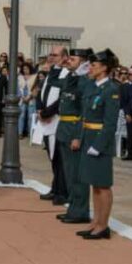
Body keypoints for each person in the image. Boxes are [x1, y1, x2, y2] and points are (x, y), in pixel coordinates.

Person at [77, 49, 120, 240]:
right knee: (94, 184)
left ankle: (104, 225)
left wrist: (99, 145)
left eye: (94, 65)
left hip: (99, 142)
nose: (90, 68)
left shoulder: (111, 90)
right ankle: (96, 222)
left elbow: (110, 123)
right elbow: (84, 113)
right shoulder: (92, 86)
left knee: (103, 185)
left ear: (104, 68)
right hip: (88, 138)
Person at [56, 48, 93, 226]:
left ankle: (81, 211)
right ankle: (73, 208)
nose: (68, 60)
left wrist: (78, 136)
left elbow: (84, 111)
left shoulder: (85, 81)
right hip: (64, 128)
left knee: (77, 174)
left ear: (84, 61)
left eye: (73, 58)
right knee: (69, 172)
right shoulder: (72, 77)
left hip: (74, 130)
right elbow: (56, 84)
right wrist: (62, 67)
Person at [37, 47, 69, 206]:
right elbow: (42, 91)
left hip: (57, 119)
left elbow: (62, 97)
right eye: (50, 54)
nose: (51, 57)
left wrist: (47, 112)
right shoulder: (52, 71)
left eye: (55, 55)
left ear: (64, 57)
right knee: (52, 156)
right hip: (46, 119)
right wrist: (39, 109)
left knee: (59, 157)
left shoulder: (67, 74)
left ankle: (62, 191)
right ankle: (55, 187)